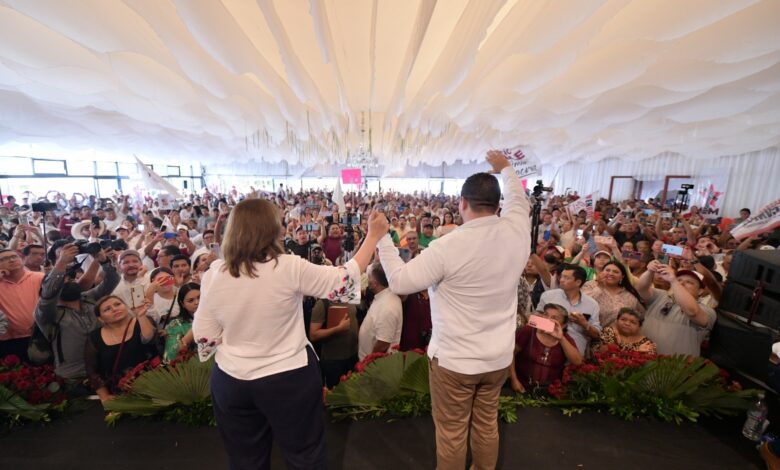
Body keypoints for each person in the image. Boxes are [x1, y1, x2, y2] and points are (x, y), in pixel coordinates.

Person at [192, 198, 387, 469]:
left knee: (245, 459)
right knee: (304, 455)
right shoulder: (289, 267)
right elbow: (346, 278)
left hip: (232, 381)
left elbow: (205, 335)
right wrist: (374, 235)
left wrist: (243, 335)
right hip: (288, 378)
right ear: (273, 230)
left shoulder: (214, 275)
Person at [376, 151, 530, 470]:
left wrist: (381, 239)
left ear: (462, 203)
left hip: (456, 362)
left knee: (451, 433)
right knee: (487, 423)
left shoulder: (448, 246)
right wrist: (506, 168)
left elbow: (401, 281)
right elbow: (520, 199)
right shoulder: (518, 231)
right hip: (498, 357)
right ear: (498, 205)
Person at [34, 244, 119, 387]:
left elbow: (111, 281)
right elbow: (48, 294)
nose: (70, 280)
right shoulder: (47, 312)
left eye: (71, 277)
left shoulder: (88, 298)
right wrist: (61, 263)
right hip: (73, 378)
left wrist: (103, 261)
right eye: (63, 279)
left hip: (104, 370)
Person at [85, 295, 158, 403]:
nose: (114, 309)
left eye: (117, 304)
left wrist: (141, 315)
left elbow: (150, 339)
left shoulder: (143, 321)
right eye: (107, 309)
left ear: (126, 306)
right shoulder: (94, 337)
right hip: (119, 395)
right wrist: (104, 397)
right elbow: (92, 371)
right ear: (100, 318)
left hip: (154, 388)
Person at [635, 261, 716, 356]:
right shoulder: (661, 296)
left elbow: (692, 311)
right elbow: (641, 289)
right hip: (644, 359)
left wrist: (674, 281)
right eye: (679, 280)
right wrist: (649, 272)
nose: (681, 283)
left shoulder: (707, 311)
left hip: (676, 367)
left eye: (689, 282)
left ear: (700, 291)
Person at [509, 303, 582, 394]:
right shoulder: (529, 331)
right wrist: (514, 380)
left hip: (550, 392)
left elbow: (577, 361)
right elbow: (510, 354)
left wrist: (561, 338)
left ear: (563, 325)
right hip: (522, 387)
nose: (548, 319)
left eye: (554, 318)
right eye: (546, 315)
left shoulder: (566, 339)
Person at [536, 264, 601, 355]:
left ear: (578, 282)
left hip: (575, 351)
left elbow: (597, 335)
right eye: (561, 276)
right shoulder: (548, 296)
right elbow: (535, 319)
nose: (561, 280)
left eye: (566, 278)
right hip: (547, 345)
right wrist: (553, 321)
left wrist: (584, 324)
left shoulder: (592, 304)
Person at [0, 248, 46, 360]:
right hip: (8, 340)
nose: (11, 260)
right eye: (4, 259)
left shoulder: (39, 277)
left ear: (21, 259)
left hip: (40, 335)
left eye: (14, 257)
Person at [309, 298, 358, 388]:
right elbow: (313, 335)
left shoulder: (349, 298)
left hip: (353, 355)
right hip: (334, 360)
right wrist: (338, 329)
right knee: (337, 394)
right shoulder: (323, 303)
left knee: (353, 390)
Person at [358, 262, 403, 360]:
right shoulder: (382, 296)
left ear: (374, 283)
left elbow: (383, 344)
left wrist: (367, 363)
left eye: (368, 276)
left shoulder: (388, 306)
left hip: (375, 367)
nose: (366, 279)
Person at [581, 261, 643, 328]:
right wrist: (599, 287)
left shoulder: (629, 294)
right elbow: (582, 303)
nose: (610, 273)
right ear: (601, 273)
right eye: (607, 270)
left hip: (621, 335)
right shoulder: (590, 285)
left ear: (622, 277)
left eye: (615, 272)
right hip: (592, 332)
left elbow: (640, 315)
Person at [160, 282, 198, 363]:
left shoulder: (216, 316)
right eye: (191, 300)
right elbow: (170, 356)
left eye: (200, 297)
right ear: (182, 304)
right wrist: (191, 334)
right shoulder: (176, 324)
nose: (197, 302)